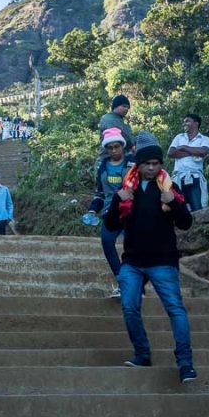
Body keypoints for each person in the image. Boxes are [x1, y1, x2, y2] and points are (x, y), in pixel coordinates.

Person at [103, 137, 197, 385]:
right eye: (147, 164)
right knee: (129, 307)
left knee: (175, 309)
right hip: (132, 261)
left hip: (163, 260)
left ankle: (185, 363)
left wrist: (174, 204)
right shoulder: (128, 189)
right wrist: (117, 200)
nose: (152, 168)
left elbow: (186, 223)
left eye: (156, 163)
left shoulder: (168, 188)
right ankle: (142, 354)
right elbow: (111, 224)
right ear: (138, 165)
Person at [86, 127, 137, 297]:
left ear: (123, 146)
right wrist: (93, 210)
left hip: (132, 211)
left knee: (130, 247)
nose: (114, 150)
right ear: (106, 149)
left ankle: (133, 284)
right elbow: (100, 193)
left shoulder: (133, 163)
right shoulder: (102, 166)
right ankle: (122, 280)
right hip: (110, 211)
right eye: (110, 147)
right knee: (107, 242)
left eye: (117, 146)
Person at [168, 113, 209, 211]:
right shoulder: (179, 137)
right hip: (178, 178)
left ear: (196, 123)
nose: (185, 123)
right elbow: (170, 153)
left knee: (197, 208)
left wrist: (183, 147)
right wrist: (194, 152)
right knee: (180, 208)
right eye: (184, 122)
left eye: (187, 121)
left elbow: (204, 151)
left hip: (195, 177)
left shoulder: (204, 139)